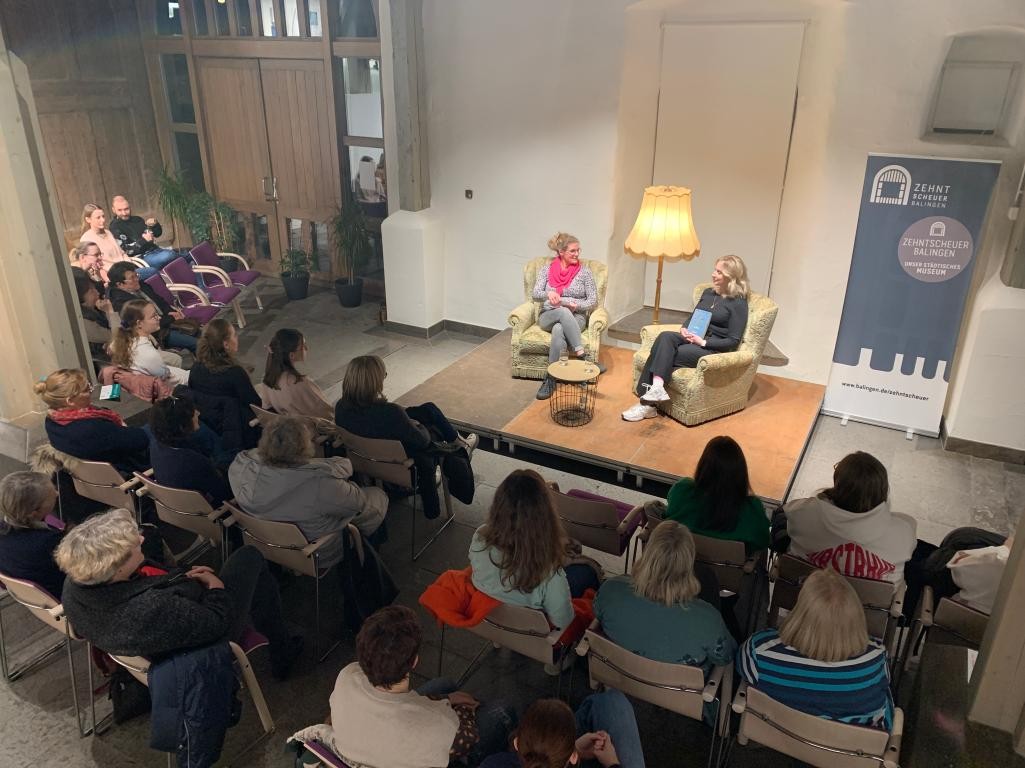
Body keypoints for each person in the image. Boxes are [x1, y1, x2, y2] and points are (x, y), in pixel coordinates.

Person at [56, 508, 303, 677]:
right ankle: (283, 652)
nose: (140, 539)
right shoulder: (152, 608)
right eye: (133, 545)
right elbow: (216, 623)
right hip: (206, 643)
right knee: (249, 557)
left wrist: (183, 577)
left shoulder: (74, 587)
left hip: (157, 639)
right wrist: (214, 586)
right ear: (117, 568)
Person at [328, 605, 514, 768]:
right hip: (427, 737)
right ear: (414, 662)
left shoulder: (348, 675)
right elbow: (466, 739)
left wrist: (447, 699)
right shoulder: (436, 725)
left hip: (369, 741)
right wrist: (465, 711)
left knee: (444, 684)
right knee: (503, 710)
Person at [738, 567, 894, 730]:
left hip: (780, 734)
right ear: (857, 615)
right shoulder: (875, 658)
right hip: (852, 749)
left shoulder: (759, 650)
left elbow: (741, 668)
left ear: (800, 610)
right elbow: (884, 689)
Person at [229, 416, 388, 567]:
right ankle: (369, 563)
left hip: (268, 542)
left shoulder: (241, 464)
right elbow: (357, 502)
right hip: (315, 549)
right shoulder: (318, 482)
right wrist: (331, 468)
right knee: (377, 495)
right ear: (303, 447)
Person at [334, 355, 476, 520]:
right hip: (399, 462)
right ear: (375, 381)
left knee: (428, 409)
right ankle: (459, 445)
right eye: (383, 375)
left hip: (367, 459)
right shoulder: (391, 412)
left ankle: (458, 440)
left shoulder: (341, 407)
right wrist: (417, 425)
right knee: (432, 429)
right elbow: (423, 440)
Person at [623, 254, 751, 422]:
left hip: (711, 347)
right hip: (692, 337)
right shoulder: (708, 292)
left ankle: (647, 405)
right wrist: (684, 328)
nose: (714, 274)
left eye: (719, 272)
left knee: (665, 353)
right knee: (665, 338)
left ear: (731, 277)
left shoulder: (738, 303)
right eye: (715, 270)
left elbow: (733, 341)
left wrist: (703, 342)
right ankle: (657, 388)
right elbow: (693, 317)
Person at [468, 469, 600, 632]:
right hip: (535, 635)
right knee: (587, 573)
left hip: (491, 620)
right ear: (545, 515)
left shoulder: (480, 538)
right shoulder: (550, 575)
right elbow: (564, 622)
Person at [594, 520, 735, 671]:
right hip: (679, 692)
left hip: (618, 677)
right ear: (690, 564)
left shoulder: (611, 589)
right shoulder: (708, 618)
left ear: (648, 553)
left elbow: (598, 617)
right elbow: (726, 656)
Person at [782, 451, 916, 583]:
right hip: (866, 604)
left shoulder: (804, 511)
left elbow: (787, 511)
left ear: (838, 485)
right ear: (883, 490)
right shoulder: (904, 529)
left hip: (807, 596)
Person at [664, 436, 769, 553]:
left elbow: (669, 513)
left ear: (703, 466)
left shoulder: (682, 490)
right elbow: (763, 541)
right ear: (741, 474)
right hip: (728, 570)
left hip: (679, 567)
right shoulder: (752, 509)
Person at [481, 695, 644, 768]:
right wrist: (612, 763)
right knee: (613, 702)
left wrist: (573, 750)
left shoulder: (492, 763)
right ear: (573, 757)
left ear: (517, 742)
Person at [37, 368, 149, 473]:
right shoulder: (91, 429)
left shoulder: (52, 421)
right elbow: (141, 440)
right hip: (128, 469)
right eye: (87, 389)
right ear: (70, 401)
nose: (91, 391)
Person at [532, 232, 600, 400]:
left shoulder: (584, 272)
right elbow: (535, 293)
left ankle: (550, 378)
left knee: (558, 329)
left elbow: (592, 300)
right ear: (561, 252)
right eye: (573, 251)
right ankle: (582, 356)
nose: (577, 254)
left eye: (578, 250)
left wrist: (575, 304)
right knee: (561, 311)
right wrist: (549, 295)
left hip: (576, 316)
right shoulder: (546, 270)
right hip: (549, 314)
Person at [904, 527, 1012, 617]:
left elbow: (956, 566)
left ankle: (905, 611)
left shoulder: (1000, 563)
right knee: (961, 539)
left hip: (952, 614)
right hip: (978, 620)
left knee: (935, 562)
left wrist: (1005, 550)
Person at [149, 394, 233, 507]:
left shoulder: (155, 444)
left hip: (181, 503)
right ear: (181, 426)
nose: (198, 412)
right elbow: (222, 493)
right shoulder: (193, 462)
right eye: (193, 413)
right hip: (217, 507)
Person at [107, 262, 198, 353]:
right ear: (119, 284)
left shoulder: (141, 285)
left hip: (168, 320)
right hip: (158, 333)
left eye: (136, 275)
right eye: (132, 278)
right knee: (197, 343)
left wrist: (170, 312)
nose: (137, 279)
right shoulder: (122, 303)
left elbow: (160, 300)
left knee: (202, 333)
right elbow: (146, 324)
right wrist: (171, 318)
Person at [0, 472, 64, 598]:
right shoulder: (49, 542)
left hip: (26, 593)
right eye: (51, 495)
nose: (57, 494)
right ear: (34, 513)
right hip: (60, 596)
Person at [109, 299, 191, 386]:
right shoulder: (148, 354)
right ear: (139, 323)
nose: (159, 317)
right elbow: (169, 380)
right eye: (154, 316)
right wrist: (190, 376)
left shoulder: (116, 343)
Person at [259, 328, 333, 420]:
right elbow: (326, 412)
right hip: (309, 429)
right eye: (303, 346)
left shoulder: (267, 379)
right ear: (292, 355)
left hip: (289, 427)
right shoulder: (300, 383)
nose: (307, 348)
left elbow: (266, 406)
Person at [108, 195, 178, 271]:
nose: (124, 213)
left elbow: (157, 234)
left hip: (156, 250)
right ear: (113, 210)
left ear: (130, 207)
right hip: (141, 258)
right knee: (171, 255)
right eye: (120, 210)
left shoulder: (137, 219)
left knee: (183, 254)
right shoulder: (114, 227)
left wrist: (154, 225)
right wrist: (144, 240)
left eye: (126, 209)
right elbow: (126, 251)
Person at [78, 203, 140, 281]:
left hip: (127, 269)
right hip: (114, 275)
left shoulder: (108, 232)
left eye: (103, 216)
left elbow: (122, 253)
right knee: (151, 272)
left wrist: (131, 266)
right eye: (98, 218)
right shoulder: (87, 238)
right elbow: (96, 265)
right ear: (88, 219)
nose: (103, 220)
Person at [72, 267, 119, 355]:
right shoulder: (84, 322)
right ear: (79, 296)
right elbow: (119, 337)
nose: (97, 293)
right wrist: (110, 312)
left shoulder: (94, 308)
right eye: (91, 291)